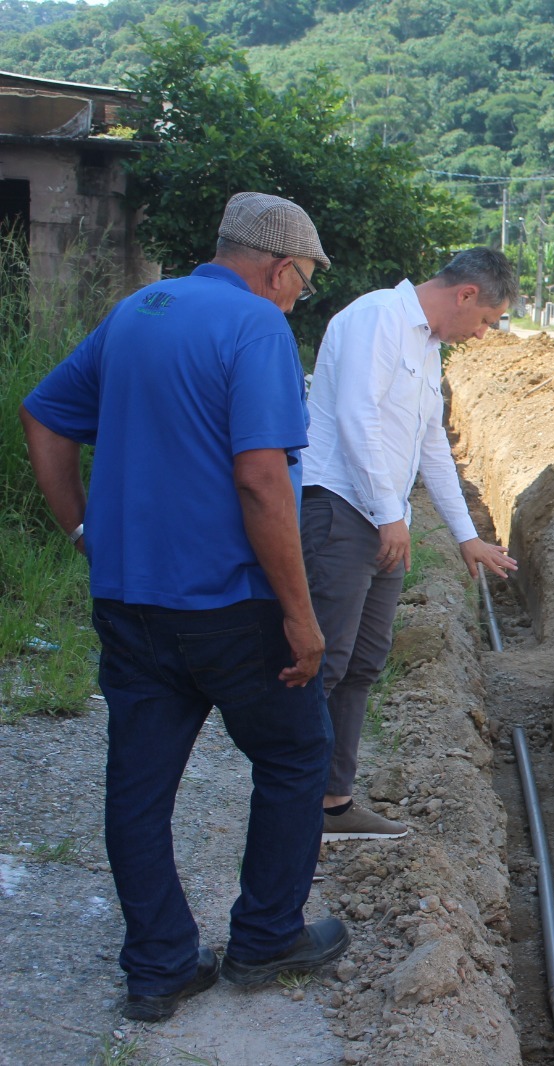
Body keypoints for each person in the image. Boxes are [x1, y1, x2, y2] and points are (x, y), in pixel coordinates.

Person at [18, 192, 350, 1022]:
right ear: (279, 268)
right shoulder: (257, 328)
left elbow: (45, 417)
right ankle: (267, 936)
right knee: (294, 756)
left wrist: (84, 530)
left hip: (129, 601)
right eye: (302, 282)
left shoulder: (136, 311)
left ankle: (160, 964)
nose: (297, 296)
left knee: (138, 785)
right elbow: (261, 479)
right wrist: (301, 617)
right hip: (230, 607)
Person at [301, 247, 519, 841]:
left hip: (380, 518)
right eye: (485, 321)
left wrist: (467, 536)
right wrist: (387, 511)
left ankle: (332, 804)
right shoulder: (377, 319)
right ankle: (288, 805)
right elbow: (355, 418)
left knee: (364, 660)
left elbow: (432, 448)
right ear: (466, 295)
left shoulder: (426, 348)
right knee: (325, 661)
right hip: (341, 510)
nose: (479, 335)